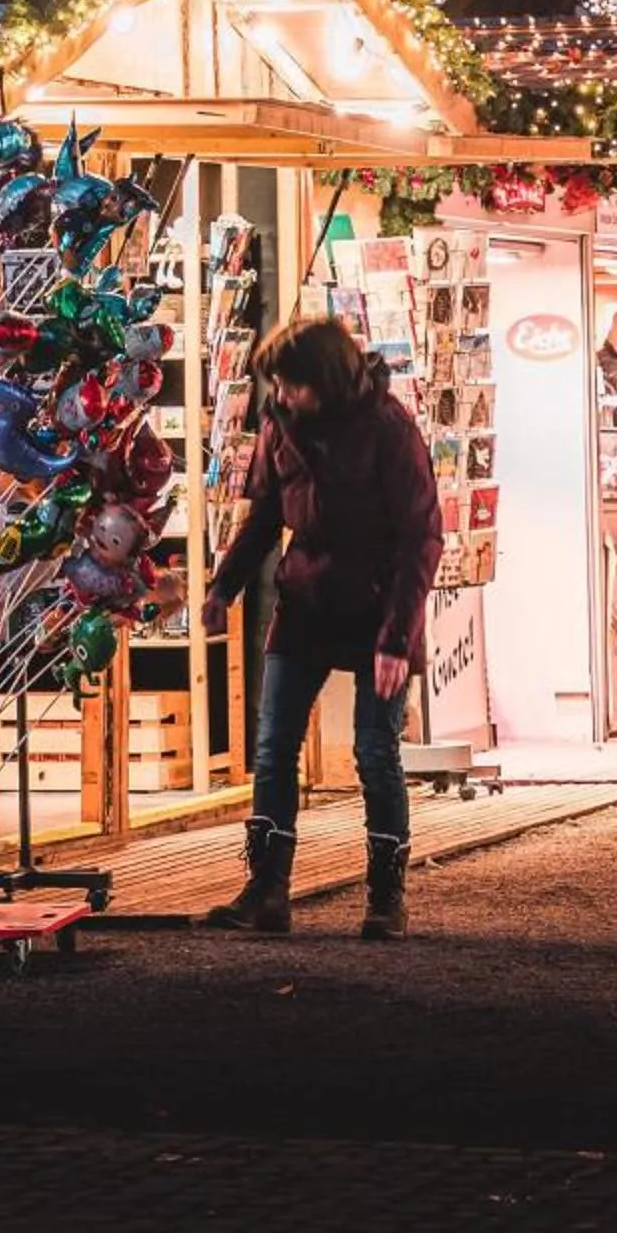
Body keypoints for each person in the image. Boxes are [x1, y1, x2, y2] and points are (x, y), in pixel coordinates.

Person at [200, 315, 440, 942]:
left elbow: (421, 536)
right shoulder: (280, 423)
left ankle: (387, 898)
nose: (282, 396)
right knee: (274, 748)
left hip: (380, 600)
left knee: (374, 751)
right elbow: (266, 515)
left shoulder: (389, 428)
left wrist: (397, 639)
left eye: (293, 385)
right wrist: (224, 586)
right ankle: (266, 891)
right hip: (306, 597)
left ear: (327, 379)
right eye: (276, 385)